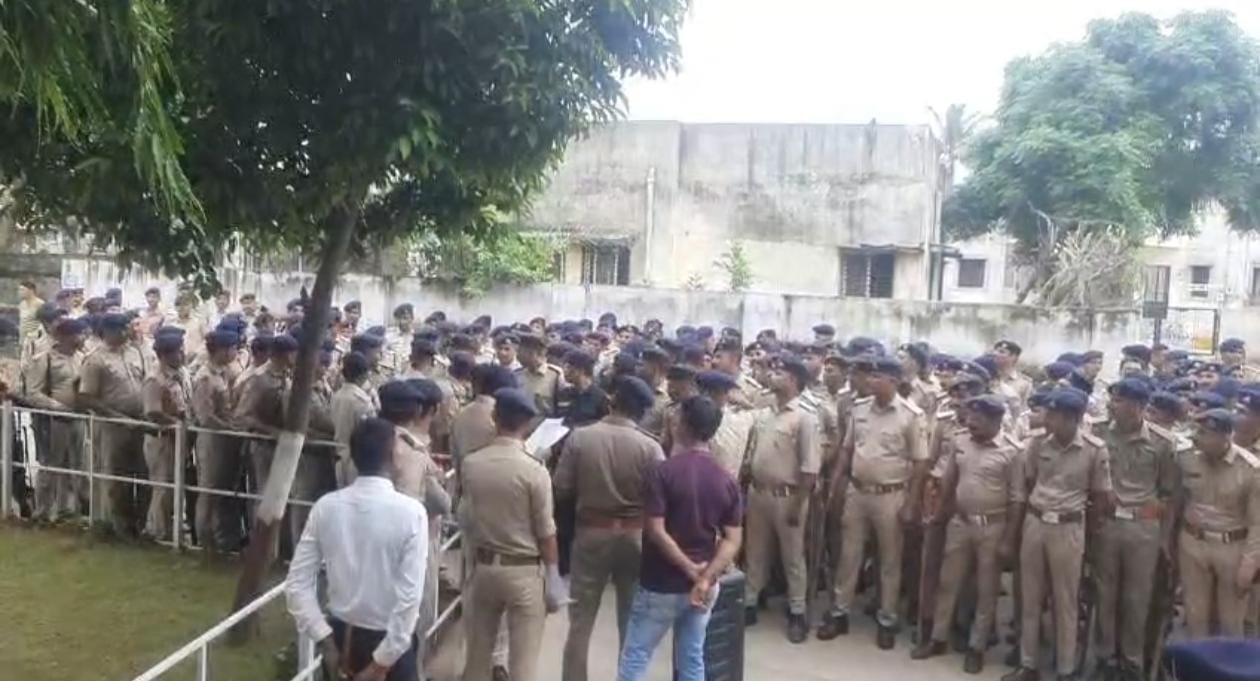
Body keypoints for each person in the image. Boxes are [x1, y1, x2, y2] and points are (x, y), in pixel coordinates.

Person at [286, 418, 428, 681]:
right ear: (393, 455)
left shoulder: (326, 507)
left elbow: (297, 584)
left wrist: (324, 639)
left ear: (353, 457)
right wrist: (380, 664)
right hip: (389, 643)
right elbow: (409, 601)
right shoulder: (412, 514)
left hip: (342, 641)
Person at [616, 395, 744, 681]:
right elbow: (732, 540)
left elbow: (656, 530)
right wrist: (705, 577)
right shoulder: (726, 479)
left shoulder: (663, 472)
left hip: (661, 582)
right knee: (692, 657)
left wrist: (690, 569)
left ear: (683, 425)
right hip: (704, 586)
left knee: (637, 655)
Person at [554, 376, 665, 681]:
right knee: (631, 619)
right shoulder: (651, 447)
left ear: (612, 400)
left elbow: (561, 487)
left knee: (580, 620)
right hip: (634, 536)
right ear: (641, 411)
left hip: (591, 531)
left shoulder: (581, 438)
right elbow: (659, 500)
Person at [819, 356, 927, 649]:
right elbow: (847, 450)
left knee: (890, 560)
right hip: (857, 491)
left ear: (893, 382)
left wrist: (911, 503)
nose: (870, 381)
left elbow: (920, 462)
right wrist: (836, 485)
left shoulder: (910, 415)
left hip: (891, 495)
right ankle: (839, 612)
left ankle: (887, 619)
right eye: (871, 376)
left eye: (877, 377)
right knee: (848, 556)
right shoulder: (860, 408)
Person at [1004, 388, 1112, 681]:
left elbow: (1100, 497)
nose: (1048, 420)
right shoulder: (1037, 443)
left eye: (1054, 415)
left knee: (1066, 602)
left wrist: (1089, 536)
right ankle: (1028, 664)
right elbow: (1029, 482)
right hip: (1036, 521)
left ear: (1073, 418)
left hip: (1068, 526)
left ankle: (1065, 668)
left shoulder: (1094, 449)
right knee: (1030, 596)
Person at [911, 395, 1023, 674]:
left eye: (979, 418)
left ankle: (977, 647)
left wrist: (1009, 540)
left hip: (992, 526)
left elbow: (1017, 499)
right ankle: (937, 638)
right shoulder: (960, 442)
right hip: (959, 522)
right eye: (970, 416)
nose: (971, 422)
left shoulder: (1012, 452)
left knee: (986, 589)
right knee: (948, 581)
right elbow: (949, 482)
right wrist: (940, 515)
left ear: (996, 420)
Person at [461, 388, 567, 681]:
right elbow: (546, 531)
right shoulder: (535, 470)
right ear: (529, 424)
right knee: (523, 664)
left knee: (477, 659)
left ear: (495, 418)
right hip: (524, 571)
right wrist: (554, 576)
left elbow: (466, 515)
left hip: (484, 567)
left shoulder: (472, 463)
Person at [1091, 378, 1180, 681]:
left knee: (1137, 598)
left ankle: (1131, 662)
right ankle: (1104, 658)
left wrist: (1163, 537)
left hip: (1143, 528)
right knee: (1105, 593)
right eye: (1112, 399)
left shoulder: (1162, 442)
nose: (1112, 405)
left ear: (1138, 406)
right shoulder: (1098, 432)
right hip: (1108, 523)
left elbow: (1168, 493)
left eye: (1119, 401)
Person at [742, 356, 821, 643]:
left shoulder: (804, 417)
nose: (773, 375)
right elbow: (752, 453)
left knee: (793, 556)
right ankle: (749, 602)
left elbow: (810, 468)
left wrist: (799, 505)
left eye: (780, 372)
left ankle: (797, 611)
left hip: (788, 496)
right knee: (755, 552)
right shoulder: (765, 413)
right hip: (759, 492)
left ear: (793, 380)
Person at [1174, 408, 1260, 638]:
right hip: (1193, 542)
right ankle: (1196, 659)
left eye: (1204, 433)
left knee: (1231, 620)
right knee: (1195, 615)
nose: (1197, 437)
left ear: (1224, 437)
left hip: (1231, 546)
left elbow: (1257, 522)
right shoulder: (1187, 458)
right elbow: (1176, 502)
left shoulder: (1250, 468)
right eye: (1197, 431)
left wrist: (1250, 563)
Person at [78, 313, 147, 536]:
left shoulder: (135, 352)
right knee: (115, 475)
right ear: (108, 331)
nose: (128, 332)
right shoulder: (95, 359)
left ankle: (141, 524)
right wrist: (118, 417)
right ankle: (117, 526)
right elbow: (87, 397)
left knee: (142, 473)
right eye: (122, 328)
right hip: (112, 424)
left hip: (139, 421)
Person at [21, 317, 86, 521]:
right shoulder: (44, 359)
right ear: (65, 336)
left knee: (75, 464)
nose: (82, 338)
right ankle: (42, 512)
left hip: (78, 417)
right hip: (53, 420)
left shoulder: (81, 357)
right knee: (51, 465)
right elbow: (33, 393)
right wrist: (57, 407)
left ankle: (66, 510)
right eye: (78, 334)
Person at [192, 329, 244, 552]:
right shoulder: (205, 377)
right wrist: (230, 428)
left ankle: (224, 538)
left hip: (225, 438)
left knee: (224, 490)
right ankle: (205, 542)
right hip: (212, 440)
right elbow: (205, 417)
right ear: (221, 350)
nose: (235, 352)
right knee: (209, 491)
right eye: (232, 348)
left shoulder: (223, 373)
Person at [141, 333, 191, 541]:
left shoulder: (181, 373)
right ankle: (158, 531)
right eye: (179, 351)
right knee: (163, 485)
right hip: (162, 438)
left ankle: (172, 528)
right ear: (165, 354)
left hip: (178, 437)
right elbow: (152, 411)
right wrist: (176, 424)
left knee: (175, 485)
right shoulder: (155, 379)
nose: (183, 354)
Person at [515, 333, 564, 418]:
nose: (518, 355)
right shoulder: (517, 375)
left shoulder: (555, 375)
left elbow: (562, 409)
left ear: (534, 353)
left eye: (521, 351)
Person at [992, 340, 1033, 417]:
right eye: (995, 351)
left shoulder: (1024, 382)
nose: (995, 354)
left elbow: (1025, 409)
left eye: (1001, 352)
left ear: (1014, 357)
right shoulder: (988, 377)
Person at [17, 280, 44, 359]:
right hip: (23, 339)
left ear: (31, 291)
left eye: (23, 290)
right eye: (19, 290)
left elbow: (44, 323)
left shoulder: (40, 304)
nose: (20, 292)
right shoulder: (22, 304)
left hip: (35, 340)